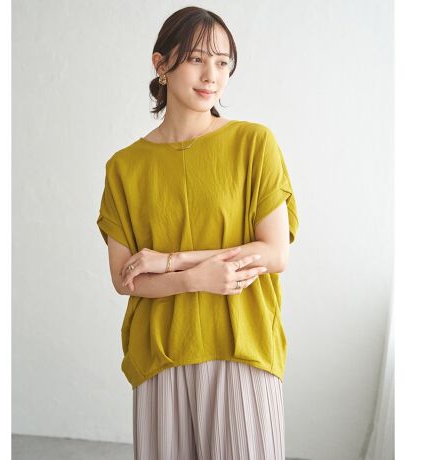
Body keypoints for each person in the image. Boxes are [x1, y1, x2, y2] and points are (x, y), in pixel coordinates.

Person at [96, 6, 299, 460]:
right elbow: (125, 278)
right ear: (161, 64)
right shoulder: (124, 167)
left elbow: (274, 253)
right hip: (160, 353)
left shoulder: (254, 144)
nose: (212, 76)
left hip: (241, 347)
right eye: (196, 59)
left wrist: (172, 261)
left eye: (223, 62)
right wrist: (192, 279)